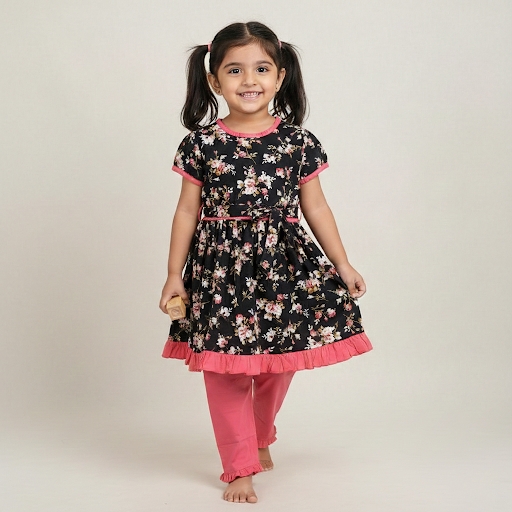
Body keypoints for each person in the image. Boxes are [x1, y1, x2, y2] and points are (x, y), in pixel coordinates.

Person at [159, 21, 372, 504]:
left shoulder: (298, 142)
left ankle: (260, 432)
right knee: (227, 369)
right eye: (234, 70)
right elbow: (186, 211)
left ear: (279, 77)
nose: (249, 79)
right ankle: (239, 466)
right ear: (214, 81)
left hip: (285, 268)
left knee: (280, 362)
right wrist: (174, 275)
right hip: (221, 272)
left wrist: (342, 263)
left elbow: (316, 207)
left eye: (261, 68)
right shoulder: (200, 144)